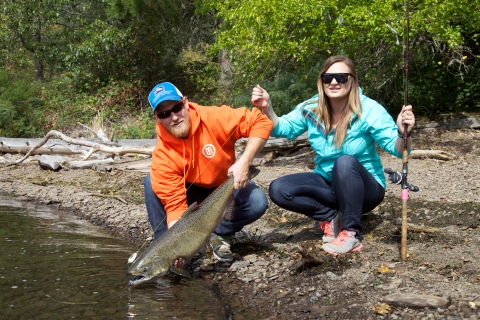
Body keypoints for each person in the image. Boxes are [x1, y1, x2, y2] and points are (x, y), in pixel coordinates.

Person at [251, 55, 415, 255]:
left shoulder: (370, 109)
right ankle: (330, 217)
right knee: (279, 189)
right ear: (322, 81)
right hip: (328, 184)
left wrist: (402, 133)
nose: (334, 82)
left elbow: (398, 149)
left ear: (352, 80)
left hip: (366, 190)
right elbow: (283, 128)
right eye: (328, 78)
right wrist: (267, 108)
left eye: (341, 77)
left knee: (344, 162)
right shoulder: (312, 108)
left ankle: (351, 233)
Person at [144, 82, 272, 266]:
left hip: (226, 186)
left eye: (177, 108)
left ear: (185, 103)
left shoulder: (214, 117)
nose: (173, 117)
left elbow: (260, 121)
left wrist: (244, 162)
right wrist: (176, 246)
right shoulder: (163, 155)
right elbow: (175, 208)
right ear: (157, 118)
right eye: (164, 114)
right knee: (151, 182)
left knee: (257, 201)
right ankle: (162, 252)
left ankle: (218, 234)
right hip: (190, 195)